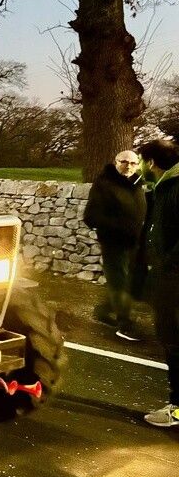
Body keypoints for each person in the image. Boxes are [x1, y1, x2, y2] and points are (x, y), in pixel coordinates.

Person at [136, 140, 179, 428]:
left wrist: (167, 266)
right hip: (169, 275)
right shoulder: (164, 187)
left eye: (141, 161)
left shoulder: (175, 188)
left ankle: (177, 409)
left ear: (151, 162)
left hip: (174, 279)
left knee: (174, 340)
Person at [83, 150, 147, 341]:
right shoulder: (104, 184)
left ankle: (103, 311)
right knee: (119, 282)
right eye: (124, 162)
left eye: (133, 163)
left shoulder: (137, 184)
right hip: (113, 242)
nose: (128, 166)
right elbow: (90, 217)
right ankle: (125, 325)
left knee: (133, 281)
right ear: (116, 162)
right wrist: (120, 227)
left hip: (134, 243)